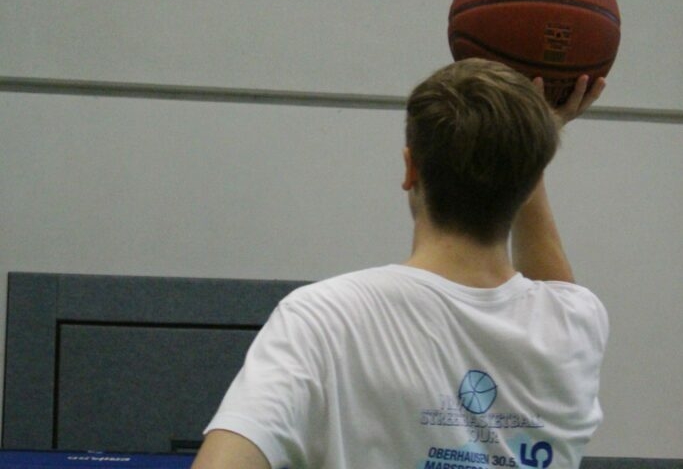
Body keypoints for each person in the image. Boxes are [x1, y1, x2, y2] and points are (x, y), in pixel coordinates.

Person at [193, 59, 608, 469]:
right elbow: (556, 292)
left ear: (411, 169)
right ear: (531, 176)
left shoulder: (323, 319)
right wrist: (534, 136)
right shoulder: (577, 324)